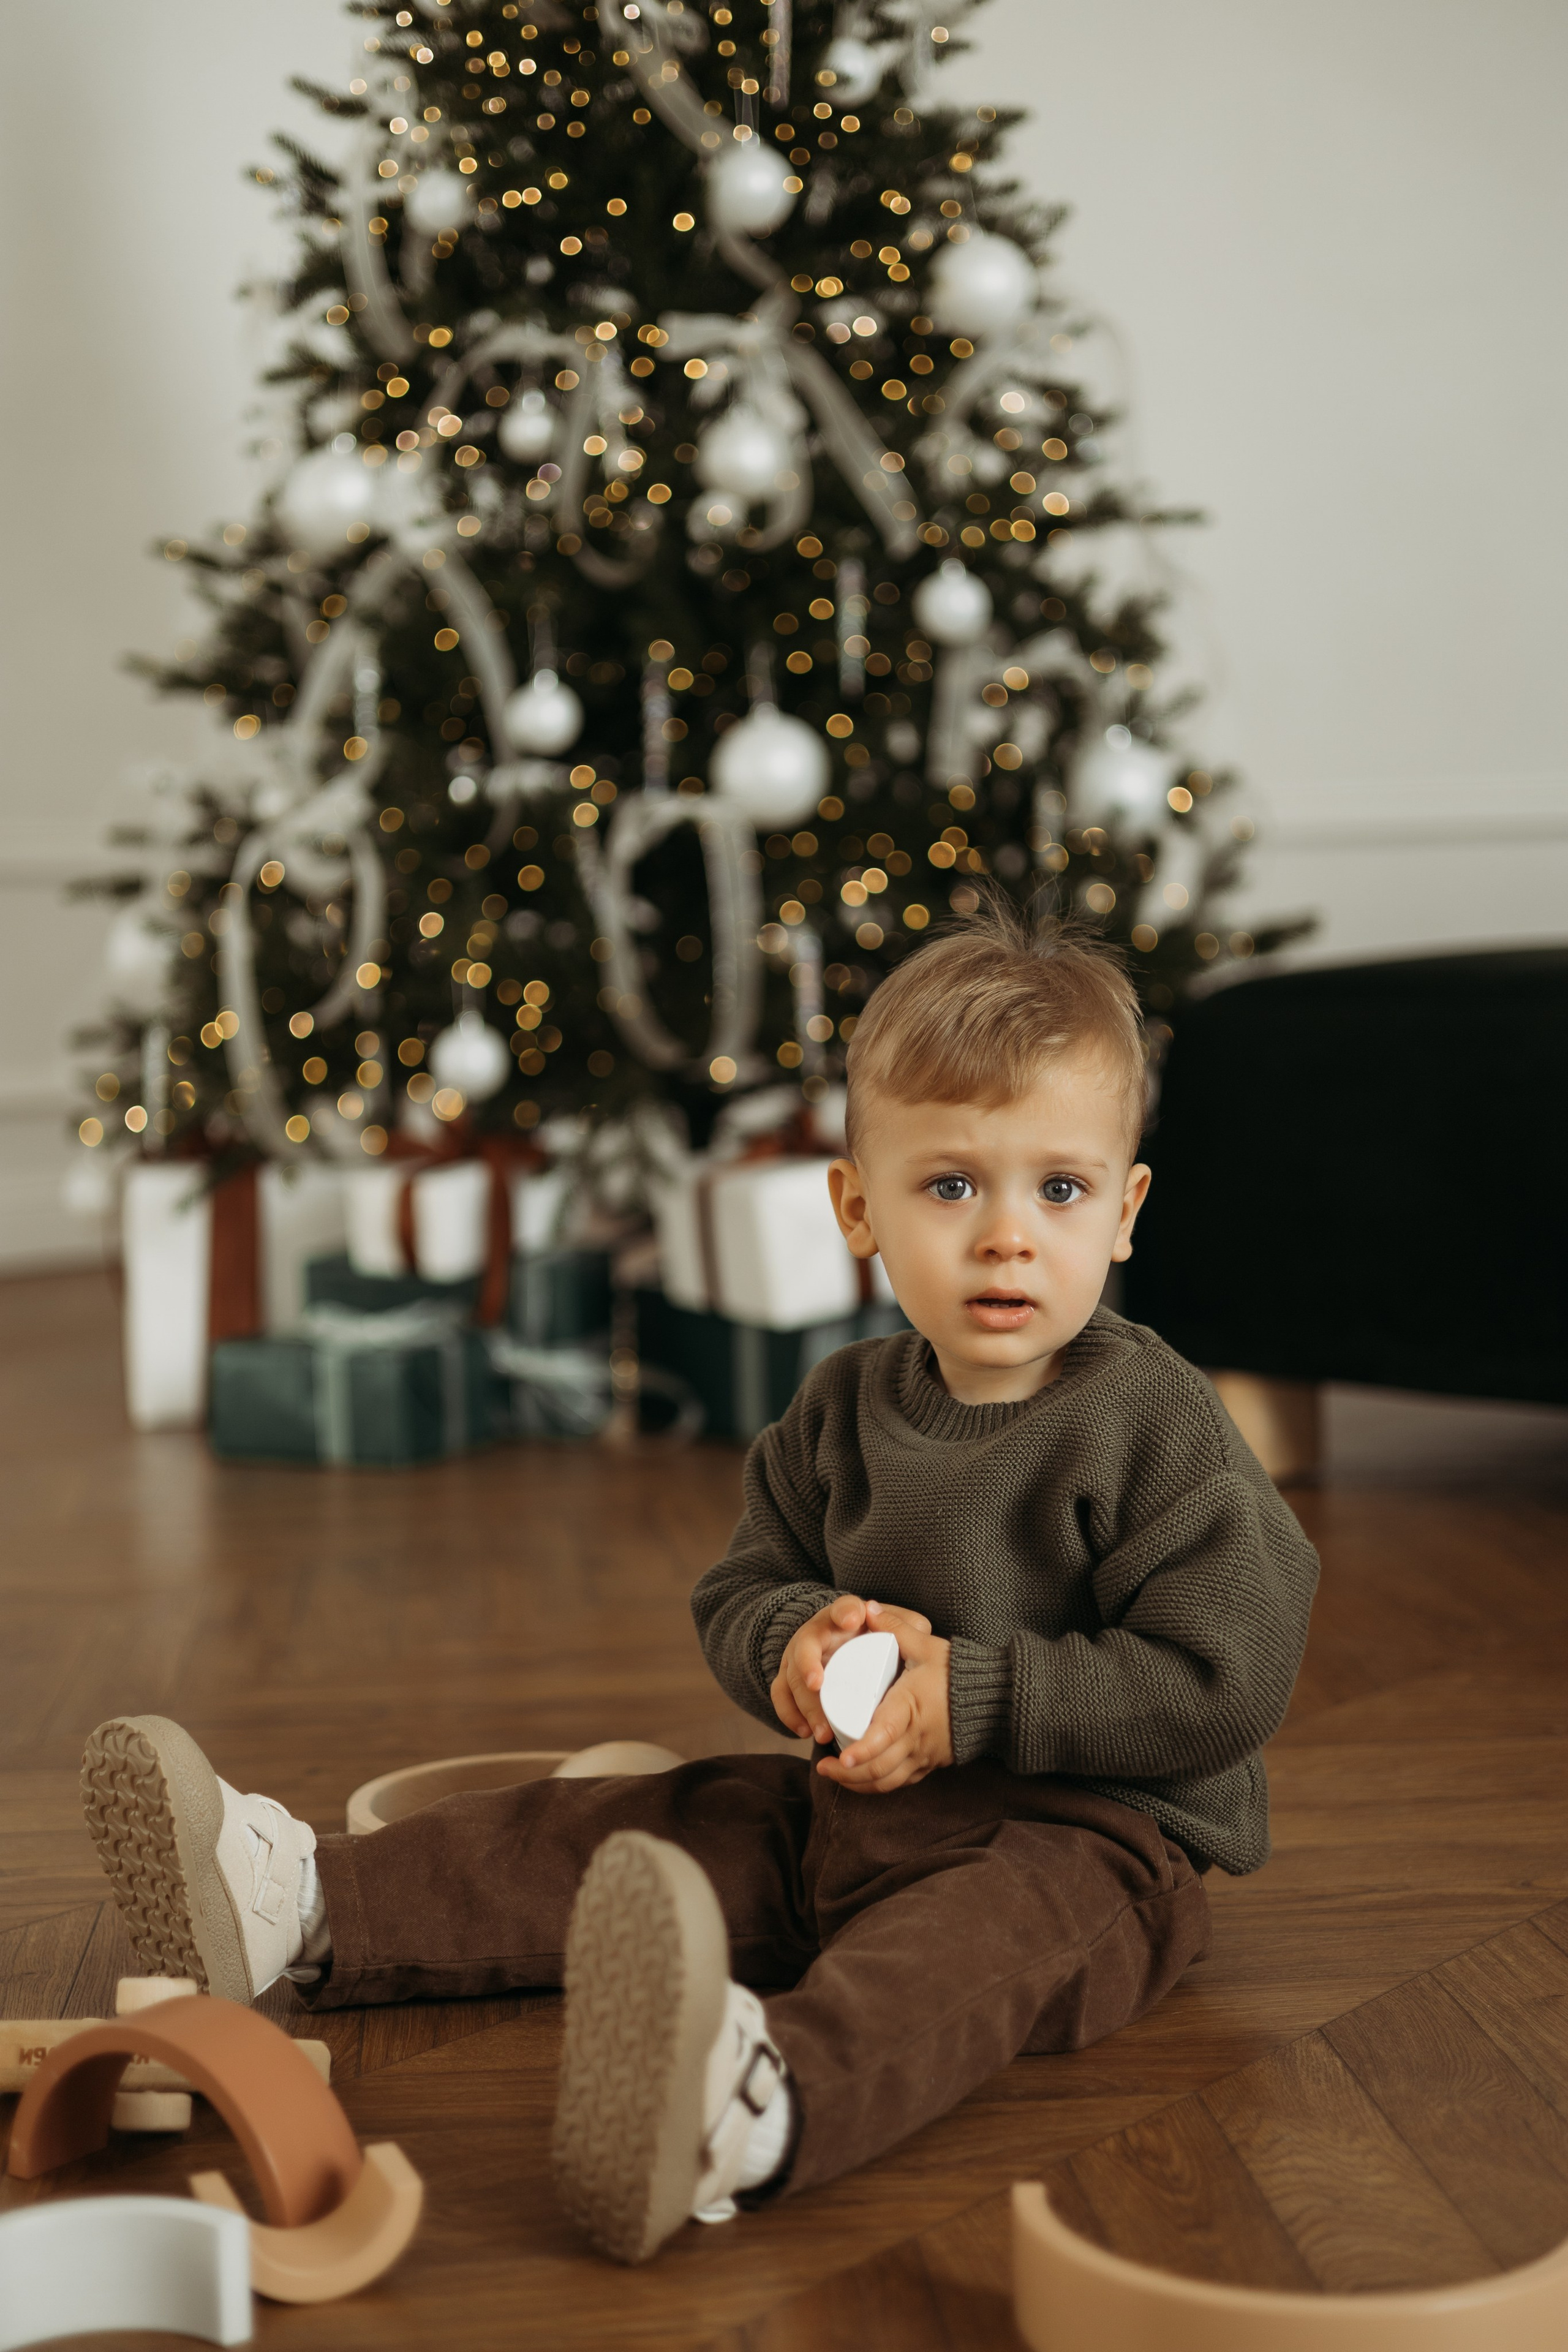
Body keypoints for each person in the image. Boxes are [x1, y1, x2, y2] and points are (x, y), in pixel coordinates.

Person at [80, 899, 1319, 2266]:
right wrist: (790, 1643)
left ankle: (758, 2104)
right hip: (847, 1811)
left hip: (1086, 1841)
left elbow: (1226, 1676)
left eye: (1059, 1189)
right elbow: (744, 1585)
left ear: (1124, 1211)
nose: (1007, 1236)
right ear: (857, 1206)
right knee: (628, 1825)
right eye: (950, 1185)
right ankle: (306, 1903)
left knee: (958, 1957)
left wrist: (967, 1696)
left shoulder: (1152, 1426)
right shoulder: (842, 1407)